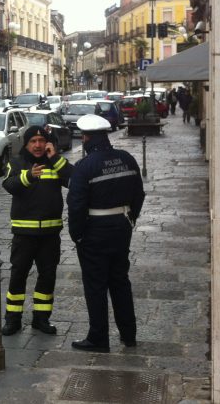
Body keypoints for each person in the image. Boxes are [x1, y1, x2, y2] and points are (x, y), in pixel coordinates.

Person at [67, 114, 145, 352]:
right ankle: (128, 335)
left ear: (87, 137)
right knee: (120, 281)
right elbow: (139, 194)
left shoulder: (84, 167)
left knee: (96, 285)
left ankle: (98, 338)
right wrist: (130, 218)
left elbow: (76, 205)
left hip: (94, 231)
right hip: (122, 227)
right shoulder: (127, 159)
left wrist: (76, 234)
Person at [1, 125, 73, 335]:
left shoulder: (55, 162)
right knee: (18, 277)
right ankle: (13, 320)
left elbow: (74, 179)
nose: (38, 145)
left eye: (42, 141)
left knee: (47, 277)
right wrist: (29, 176)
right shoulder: (17, 162)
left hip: (50, 235)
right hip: (24, 234)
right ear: (26, 143)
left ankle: (41, 319)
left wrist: (56, 158)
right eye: (33, 141)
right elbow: (9, 185)